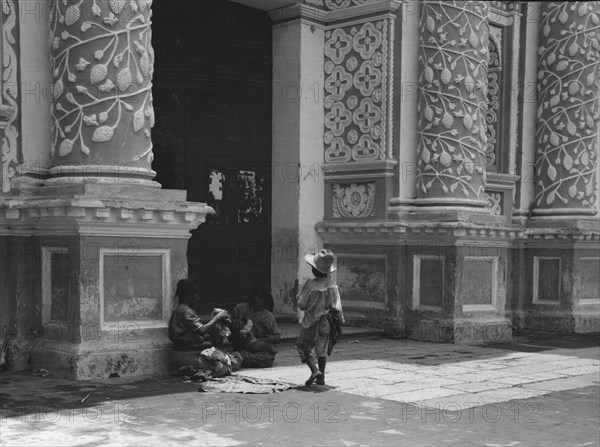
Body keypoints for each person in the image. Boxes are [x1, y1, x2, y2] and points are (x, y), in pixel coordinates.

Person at [295, 249, 344, 386]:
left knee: (303, 346)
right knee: (321, 350)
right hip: (326, 324)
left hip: (310, 323)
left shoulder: (310, 285)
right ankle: (321, 377)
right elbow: (337, 308)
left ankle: (315, 370)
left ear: (314, 270)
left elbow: (302, 304)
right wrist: (340, 322)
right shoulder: (333, 287)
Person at [168, 279, 231, 350]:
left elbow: (195, 327)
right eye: (195, 293)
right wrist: (217, 318)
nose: (198, 297)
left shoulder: (181, 307)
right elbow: (201, 330)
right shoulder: (185, 310)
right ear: (188, 294)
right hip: (186, 351)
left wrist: (214, 316)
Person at [230, 287, 281, 367]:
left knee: (267, 359)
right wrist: (236, 327)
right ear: (251, 296)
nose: (257, 299)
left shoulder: (268, 316)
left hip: (260, 350)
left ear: (264, 300)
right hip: (242, 347)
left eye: (260, 298)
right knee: (240, 354)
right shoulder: (239, 308)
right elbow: (229, 330)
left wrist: (272, 337)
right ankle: (239, 358)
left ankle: (239, 358)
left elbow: (277, 335)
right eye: (255, 296)